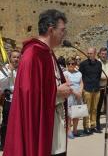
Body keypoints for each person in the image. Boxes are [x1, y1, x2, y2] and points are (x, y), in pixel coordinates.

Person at [3, 9, 72, 156]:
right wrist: (57, 92)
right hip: (39, 126)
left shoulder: (48, 52)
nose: (64, 35)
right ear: (51, 29)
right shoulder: (33, 54)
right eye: (62, 30)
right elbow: (29, 95)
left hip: (54, 122)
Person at [0, 50, 21, 150]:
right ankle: (4, 144)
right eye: (14, 57)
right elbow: (1, 85)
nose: (16, 59)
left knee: (18, 123)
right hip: (9, 100)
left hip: (20, 100)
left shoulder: (22, 69)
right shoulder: (4, 70)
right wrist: (9, 72)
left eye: (18, 57)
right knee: (6, 123)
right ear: (10, 58)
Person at [79, 47, 102, 134]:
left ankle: (93, 125)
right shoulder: (83, 64)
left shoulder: (99, 64)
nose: (89, 55)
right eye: (88, 53)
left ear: (95, 53)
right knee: (87, 109)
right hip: (87, 89)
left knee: (94, 109)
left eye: (90, 53)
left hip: (96, 89)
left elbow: (99, 76)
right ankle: (86, 126)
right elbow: (80, 77)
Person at [64, 57, 83, 138]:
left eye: (73, 63)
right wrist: (75, 93)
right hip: (70, 95)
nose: (71, 65)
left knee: (76, 113)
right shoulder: (65, 73)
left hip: (78, 95)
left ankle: (75, 130)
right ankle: (68, 130)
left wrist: (80, 91)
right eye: (69, 63)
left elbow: (82, 83)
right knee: (69, 114)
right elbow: (67, 84)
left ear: (75, 64)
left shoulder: (79, 73)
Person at [97, 47, 108, 130]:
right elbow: (97, 76)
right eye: (102, 54)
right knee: (99, 105)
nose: (104, 55)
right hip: (100, 87)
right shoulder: (97, 63)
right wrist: (107, 77)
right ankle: (97, 122)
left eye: (105, 54)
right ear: (100, 54)